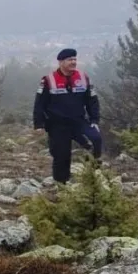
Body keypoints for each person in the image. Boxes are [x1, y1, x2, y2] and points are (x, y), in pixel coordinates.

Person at [32, 48, 102, 184]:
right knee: (61, 155)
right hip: (57, 124)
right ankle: (61, 185)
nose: (73, 62)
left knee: (96, 139)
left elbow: (92, 101)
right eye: (70, 60)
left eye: (75, 59)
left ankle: (93, 176)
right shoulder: (49, 80)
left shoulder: (83, 77)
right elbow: (39, 103)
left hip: (79, 121)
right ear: (61, 62)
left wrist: (94, 119)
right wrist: (39, 124)